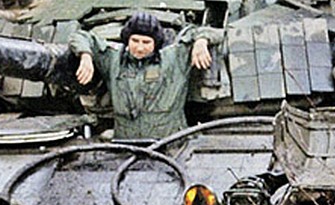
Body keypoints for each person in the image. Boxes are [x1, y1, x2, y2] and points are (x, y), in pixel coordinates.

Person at [68, 11, 222, 140]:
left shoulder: (174, 58)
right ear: (127, 39)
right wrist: (85, 55)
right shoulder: (114, 59)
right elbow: (80, 36)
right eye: (135, 41)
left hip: (170, 145)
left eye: (146, 42)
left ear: (156, 43)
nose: (140, 48)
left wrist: (201, 41)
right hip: (127, 146)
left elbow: (216, 32)